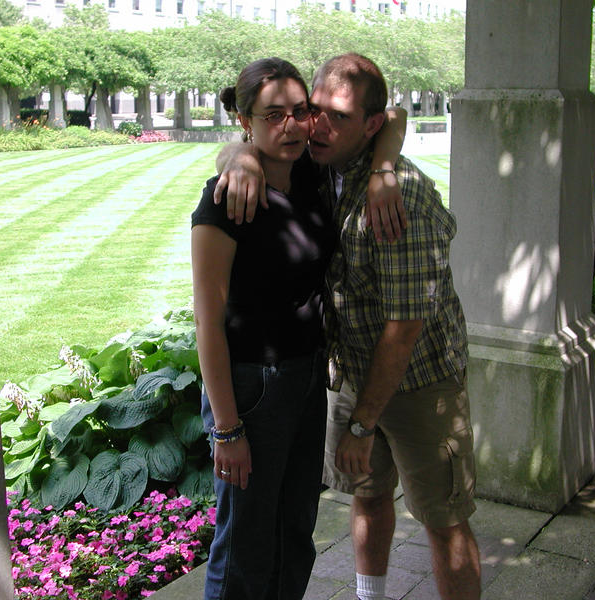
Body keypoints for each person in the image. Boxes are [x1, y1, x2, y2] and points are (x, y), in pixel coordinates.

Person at [217, 53, 481, 600]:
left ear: (370, 125)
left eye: (338, 117)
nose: (317, 126)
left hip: (420, 383)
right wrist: (238, 155)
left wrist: (363, 426)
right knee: (368, 494)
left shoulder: (401, 194)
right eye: (315, 109)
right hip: (351, 373)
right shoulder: (318, 168)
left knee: (444, 518)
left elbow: (404, 328)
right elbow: (252, 136)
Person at [190, 56, 406, 600]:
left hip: (306, 378)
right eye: (272, 115)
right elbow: (208, 324)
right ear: (246, 121)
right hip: (250, 387)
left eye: (300, 110)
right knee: (244, 546)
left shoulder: (312, 173)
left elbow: (393, 116)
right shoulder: (224, 202)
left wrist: (383, 168)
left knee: (295, 534)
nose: (291, 125)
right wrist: (227, 430)